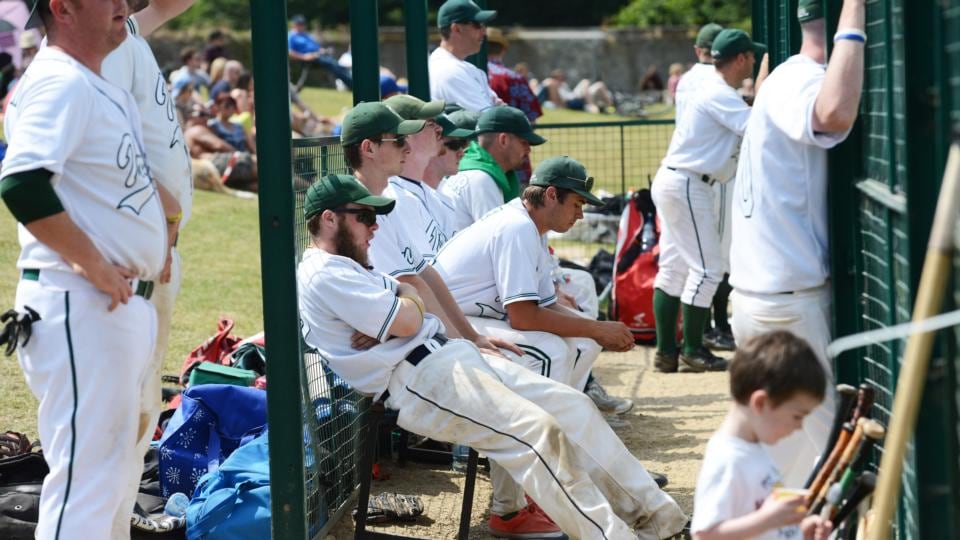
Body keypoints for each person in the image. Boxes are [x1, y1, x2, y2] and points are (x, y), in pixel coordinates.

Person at [296, 173, 689, 540]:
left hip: (447, 356)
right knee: (537, 434)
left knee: (573, 405)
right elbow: (407, 318)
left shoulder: (351, 264)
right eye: (364, 216)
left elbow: (412, 304)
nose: (374, 226)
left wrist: (407, 300)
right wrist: (408, 303)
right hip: (415, 380)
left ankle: (660, 520)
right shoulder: (325, 271)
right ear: (329, 219)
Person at [0, 0, 179, 536]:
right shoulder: (60, 81)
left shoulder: (97, 84)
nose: (124, 5)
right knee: (87, 488)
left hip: (114, 306)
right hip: (81, 301)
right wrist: (93, 262)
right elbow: (21, 182)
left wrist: (160, 228)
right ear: (62, 7)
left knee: (115, 482)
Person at [729, 0, 865, 487]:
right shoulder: (799, 78)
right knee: (823, 451)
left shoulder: (781, 78)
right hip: (783, 305)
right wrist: (855, 13)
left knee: (785, 455)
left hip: (766, 297)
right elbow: (833, 112)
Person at [100, 0, 196, 481]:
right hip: (140, 242)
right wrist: (167, 217)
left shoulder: (126, 29)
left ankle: (119, 513)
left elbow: (171, 5)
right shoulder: (106, 46)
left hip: (155, 238)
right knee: (128, 405)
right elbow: (119, 148)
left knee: (142, 400)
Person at [651, 29, 765, 374]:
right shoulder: (717, 91)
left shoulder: (713, 89)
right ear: (742, 58)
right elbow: (754, 126)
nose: (754, 62)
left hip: (679, 180)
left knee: (675, 268)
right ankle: (692, 349)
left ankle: (666, 352)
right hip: (688, 183)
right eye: (752, 58)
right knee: (708, 269)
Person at [691, 331, 832, 540]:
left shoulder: (753, 447)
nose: (800, 427)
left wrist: (801, 532)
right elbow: (706, 534)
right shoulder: (728, 460)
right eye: (796, 416)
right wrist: (769, 520)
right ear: (760, 403)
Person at [381, 94, 472, 259]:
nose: (439, 130)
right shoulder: (394, 198)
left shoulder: (437, 198)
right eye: (430, 123)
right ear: (407, 133)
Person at [441, 106, 545, 231]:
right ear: (503, 140)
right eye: (524, 143)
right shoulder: (481, 179)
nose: (528, 150)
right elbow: (497, 240)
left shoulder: (474, 170)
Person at [429, 0, 501, 112]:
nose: (484, 32)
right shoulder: (449, 71)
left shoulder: (461, 67)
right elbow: (491, 122)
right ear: (456, 29)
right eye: (478, 25)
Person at [486, 27, 542, 123]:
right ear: (503, 50)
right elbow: (531, 117)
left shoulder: (469, 74)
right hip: (510, 135)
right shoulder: (516, 78)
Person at [287, 14, 353, 90]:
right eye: (299, 24)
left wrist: (324, 50)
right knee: (332, 64)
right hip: (309, 58)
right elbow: (290, 52)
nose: (301, 26)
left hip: (319, 55)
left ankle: (350, 81)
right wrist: (304, 57)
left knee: (337, 65)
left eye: (303, 24)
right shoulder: (291, 36)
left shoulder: (306, 35)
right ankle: (351, 84)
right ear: (294, 24)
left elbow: (317, 48)